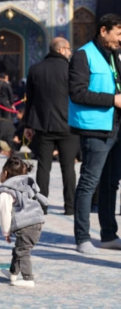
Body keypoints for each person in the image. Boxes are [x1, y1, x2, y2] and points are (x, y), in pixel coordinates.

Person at [69, 13, 121, 255]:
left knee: (111, 183)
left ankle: (109, 235)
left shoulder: (114, 55)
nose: (120, 39)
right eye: (118, 33)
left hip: (116, 128)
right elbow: (77, 93)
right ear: (103, 30)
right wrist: (113, 100)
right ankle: (82, 238)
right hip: (95, 128)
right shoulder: (83, 55)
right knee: (89, 183)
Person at [24, 37, 78, 216]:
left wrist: (28, 125)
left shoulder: (36, 69)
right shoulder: (71, 69)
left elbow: (30, 100)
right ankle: (70, 207)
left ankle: (42, 206)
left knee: (43, 167)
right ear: (61, 50)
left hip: (43, 125)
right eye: (68, 49)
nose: (70, 52)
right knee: (68, 168)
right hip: (69, 126)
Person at [0, 156, 48, 288]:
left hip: (26, 224)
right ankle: (13, 273)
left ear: (5, 173)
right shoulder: (26, 185)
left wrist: (6, 231)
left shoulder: (6, 192)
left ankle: (28, 278)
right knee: (19, 249)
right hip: (37, 221)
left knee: (23, 251)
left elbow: (5, 212)